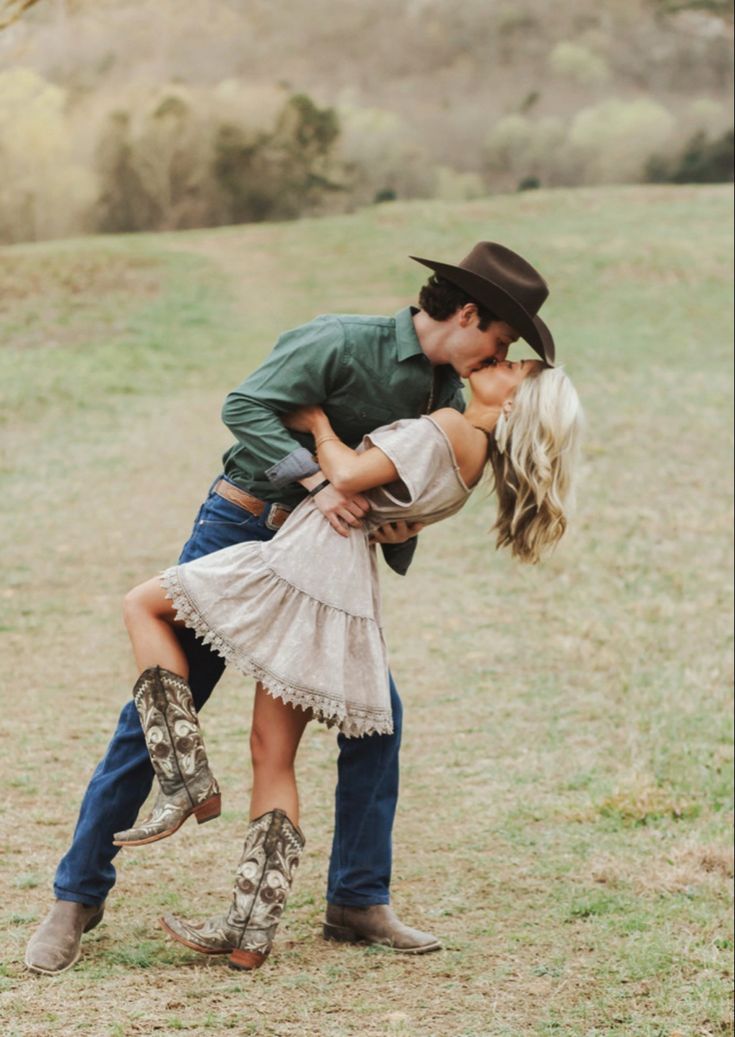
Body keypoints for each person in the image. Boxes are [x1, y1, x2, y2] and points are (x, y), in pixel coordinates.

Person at [25, 241, 558, 975]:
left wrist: (396, 528)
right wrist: (316, 480)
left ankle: (357, 899)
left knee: (377, 721)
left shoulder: (446, 398)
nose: (494, 357)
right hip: (242, 529)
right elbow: (241, 405)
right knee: (154, 719)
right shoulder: (339, 339)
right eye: (497, 341)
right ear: (467, 313)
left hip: (326, 565)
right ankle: (75, 897)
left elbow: (402, 492)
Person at [113, 355, 583, 971]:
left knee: (142, 605)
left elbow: (349, 474)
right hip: (341, 592)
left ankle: (183, 777)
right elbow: (394, 511)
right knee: (271, 753)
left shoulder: (447, 426)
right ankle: (249, 934)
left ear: (518, 403)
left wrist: (316, 425)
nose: (503, 359)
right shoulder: (472, 463)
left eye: (516, 366)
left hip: (304, 568)